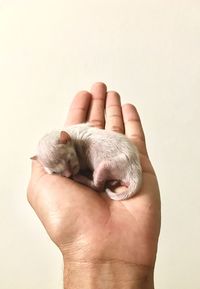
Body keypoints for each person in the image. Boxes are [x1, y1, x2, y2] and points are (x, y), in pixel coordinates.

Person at [27, 82, 161, 289]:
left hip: (118, 160)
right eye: (57, 172)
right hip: (120, 157)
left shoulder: (71, 138)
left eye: (70, 164)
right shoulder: (63, 145)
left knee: (100, 171)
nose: (68, 174)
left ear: (67, 139)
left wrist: (92, 182)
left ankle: (97, 182)